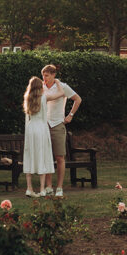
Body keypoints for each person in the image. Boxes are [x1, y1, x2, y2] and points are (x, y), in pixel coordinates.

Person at [41, 64, 81, 197]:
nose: (44, 78)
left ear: (53, 75)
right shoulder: (41, 87)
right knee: (46, 157)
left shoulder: (63, 86)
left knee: (59, 157)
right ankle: (48, 187)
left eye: (47, 75)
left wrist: (70, 115)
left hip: (57, 124)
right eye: (43, 75)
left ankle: (59, 187)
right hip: (43, 125)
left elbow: (78, 99)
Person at [21, 76, 55, 197]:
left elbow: (27, 118)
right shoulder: (43, 98)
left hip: (31, 128)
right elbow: (45, 117)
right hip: (41, 127)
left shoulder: (27, 98)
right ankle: (41, 189)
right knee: (42, 156)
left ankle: (29, 188)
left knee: (29, 156)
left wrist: (27, 133)